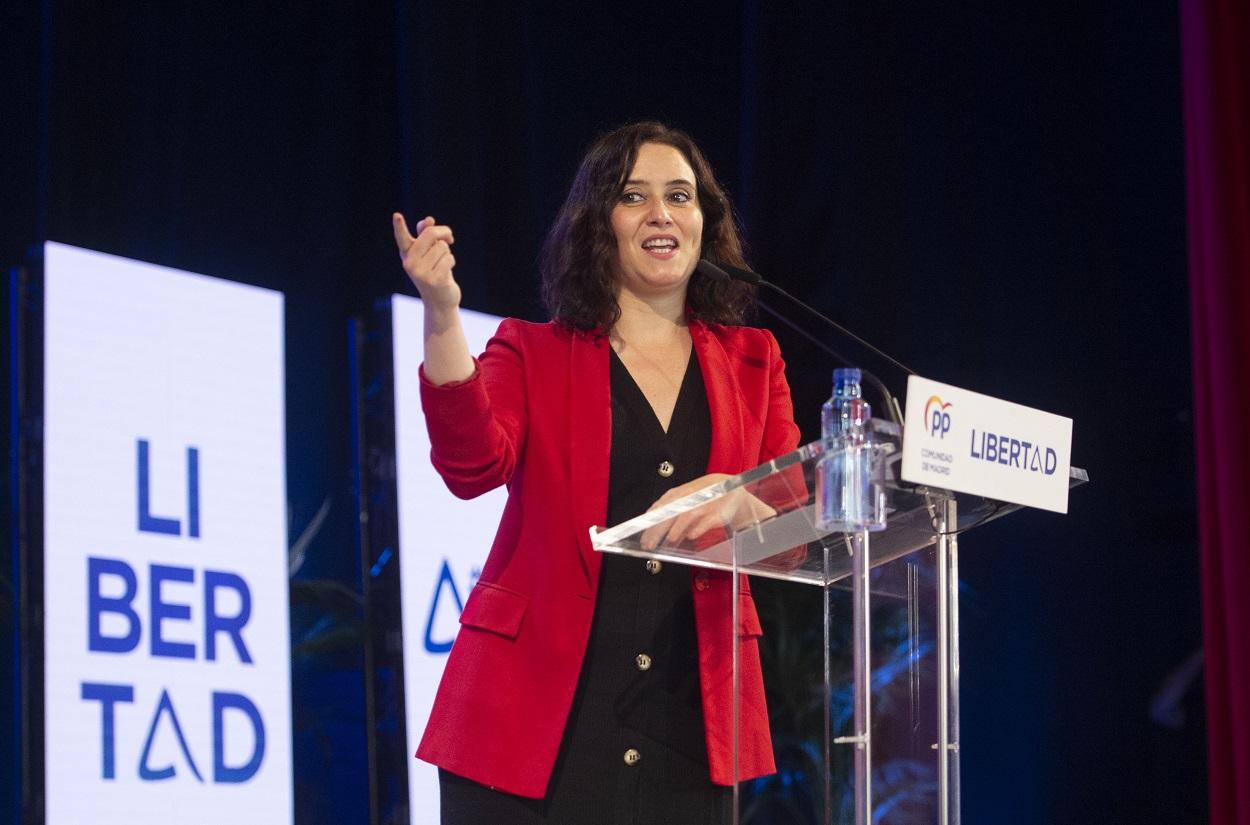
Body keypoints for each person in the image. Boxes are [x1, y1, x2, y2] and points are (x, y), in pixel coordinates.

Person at [391, 121, 801, 824]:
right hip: (530, 726)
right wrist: (441, 315)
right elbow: (470, 462)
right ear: (598, 224)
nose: (661, 213)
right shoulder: (533, 349)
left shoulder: (754, 361)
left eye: (680, 196)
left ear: (706, 222)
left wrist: (738, 503)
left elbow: (795, 522)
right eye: (634, 196)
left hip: (688, 725)